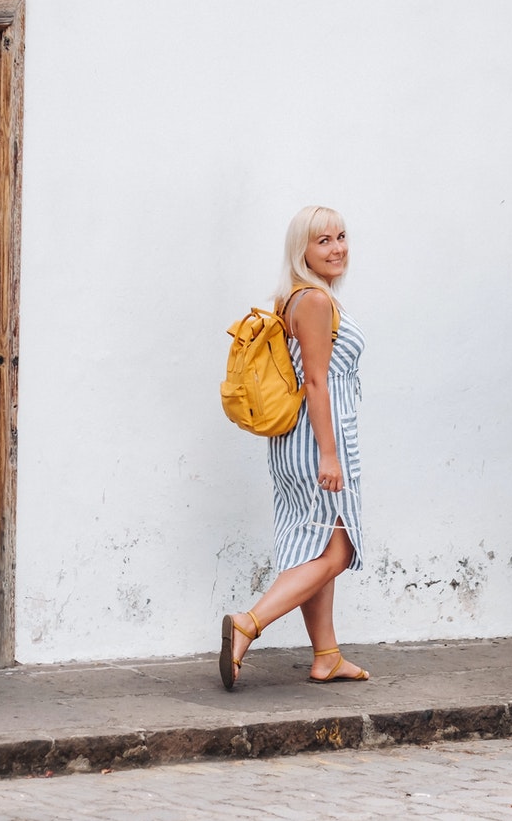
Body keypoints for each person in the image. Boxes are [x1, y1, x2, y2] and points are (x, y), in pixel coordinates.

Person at [220, 205, 369, 690]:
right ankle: (250, 623)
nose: (337, 247)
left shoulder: (297, 298)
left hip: (299, 440)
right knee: (338, 551)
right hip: (317, 440)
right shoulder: (315, 302)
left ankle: (326, 656)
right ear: (302, 250)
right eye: (323, 240)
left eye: (341, 236)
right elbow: (318, 384)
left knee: (319, 544)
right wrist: (329, 454)